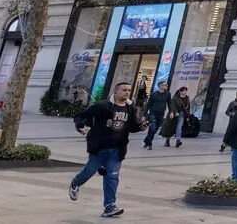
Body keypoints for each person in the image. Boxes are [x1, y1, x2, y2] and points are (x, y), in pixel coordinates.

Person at [69, 81, 141, 219]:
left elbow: (131, 127)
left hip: (117, 149)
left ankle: (110, 206)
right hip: (99, 147)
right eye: (124, 90)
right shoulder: (103, 106)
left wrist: (140, 127)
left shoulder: (130, 109)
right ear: (116, 92)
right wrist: (80, 125)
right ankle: (76, 182)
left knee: (112, 176)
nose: (127, 92)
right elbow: (81, 116)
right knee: (89, 171)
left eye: (129, 90)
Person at [141, 81, 170, 151]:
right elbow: (148, 105)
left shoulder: (167, 94)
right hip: (152, 113)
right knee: (152, 127)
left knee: (156, 129)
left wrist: (172, 111)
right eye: (164, 85)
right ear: (160, 86)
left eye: (166, 85)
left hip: (161, 113)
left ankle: (146, 140)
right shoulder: (154, 94)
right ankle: (149, 144)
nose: (166, 86)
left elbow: (170, 103)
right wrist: (144, 115)